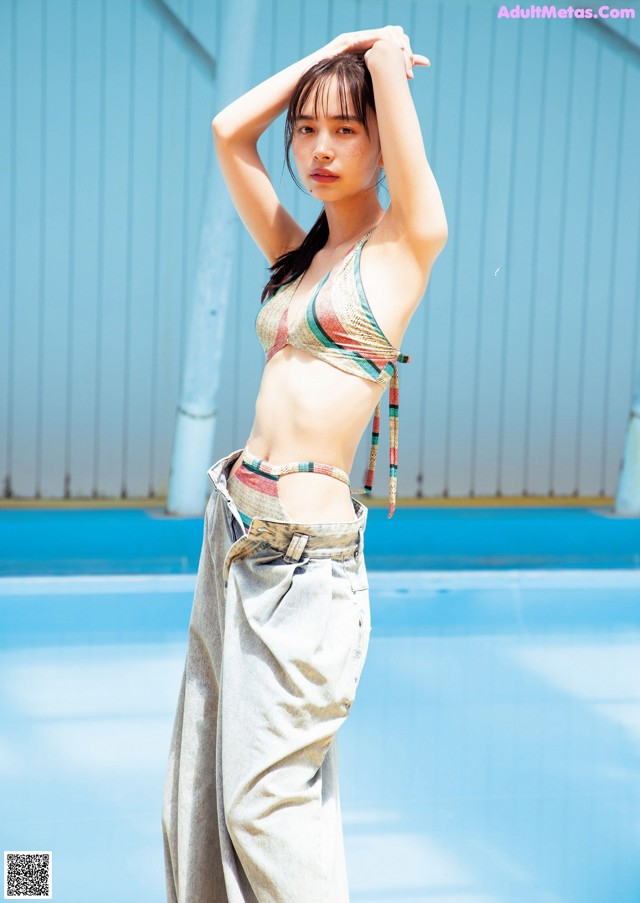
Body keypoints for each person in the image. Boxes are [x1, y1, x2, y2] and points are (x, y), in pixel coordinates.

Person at [162, 25, 447, 903]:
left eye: (347, 130)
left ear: (380, 142)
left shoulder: (403, 249)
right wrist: (332, 46)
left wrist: (382, 60)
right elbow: (226, 132)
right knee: (196, 791)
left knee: (264, 804)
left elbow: (414, 182)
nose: (320, 148)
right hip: (234, 524)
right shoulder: (299, 251)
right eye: (309, 128)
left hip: (301, 552)